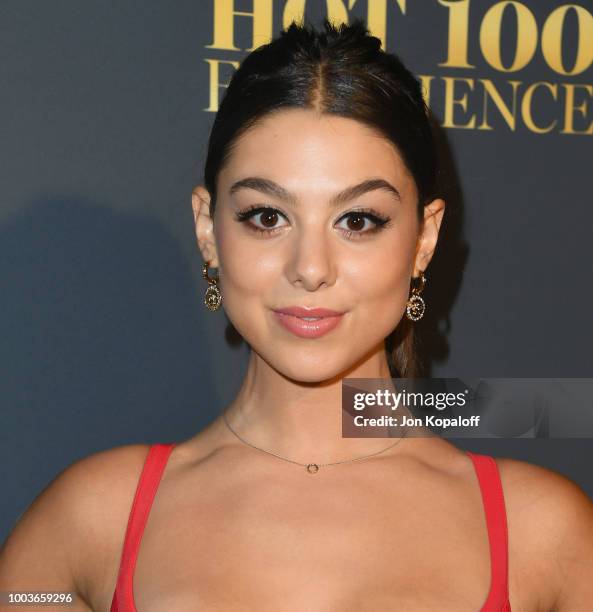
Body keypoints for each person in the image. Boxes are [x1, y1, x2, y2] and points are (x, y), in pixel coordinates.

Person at [1, 18, 592, 612]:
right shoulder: (96, 521)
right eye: (267, 216)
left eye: (358, 220)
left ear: (424, 239)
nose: (310, 268)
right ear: (209, 229)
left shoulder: (541, 533)